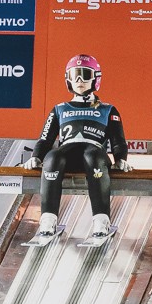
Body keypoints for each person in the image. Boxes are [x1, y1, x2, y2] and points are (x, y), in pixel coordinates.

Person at [23, 54, 133, 240]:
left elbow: (118, 141)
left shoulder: (107, 109)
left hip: (94, 154)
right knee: (53, 157)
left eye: (85, 74)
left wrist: (121, 159)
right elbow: (45, 139)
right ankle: (48, 219)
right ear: (68, 79)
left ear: (95, 78)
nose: (79, 80)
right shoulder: (60, 108)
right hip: (68, 154)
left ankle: (101, 220)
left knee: (93, 155)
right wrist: (37, 156)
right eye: (75, 75)